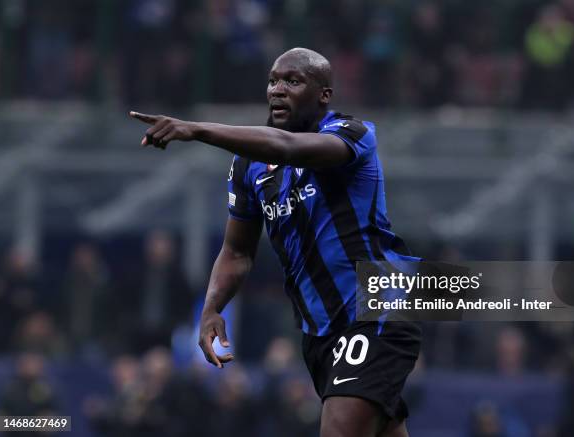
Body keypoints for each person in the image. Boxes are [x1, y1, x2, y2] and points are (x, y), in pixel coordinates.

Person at [130, 47, 421, 437]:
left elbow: (288, 148)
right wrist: (212, 308)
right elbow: (237, 251)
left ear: (324, 94)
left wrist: (196, 130)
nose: (277, 90)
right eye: (272, 81)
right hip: (319, 332)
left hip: (376, 311)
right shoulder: (249, 166)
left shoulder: (353, 134)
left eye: (293, 81)